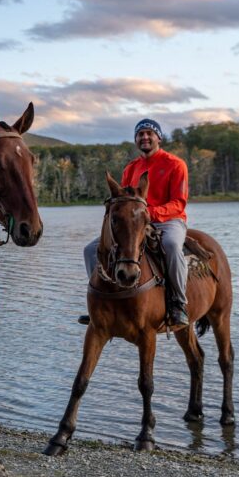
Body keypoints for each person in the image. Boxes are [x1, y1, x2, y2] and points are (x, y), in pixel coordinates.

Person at [80, 118, 190, 327]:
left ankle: (179, 303)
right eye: (140, 134)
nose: (145, 137)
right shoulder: (131, 168)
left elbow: (179, 203)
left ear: (159, 138)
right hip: (135, 223)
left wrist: (149, 213)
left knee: (172, 246)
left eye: (150, 133)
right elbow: (124, 200)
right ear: (136, 139)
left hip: (169, 221)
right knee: (90, 250)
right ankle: (99, 302)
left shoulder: (176, 164)